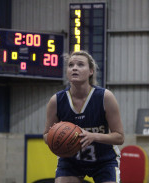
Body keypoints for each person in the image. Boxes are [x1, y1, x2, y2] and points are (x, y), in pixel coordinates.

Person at [43, 50, 124, 183]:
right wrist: (53, 135)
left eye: (80, 64)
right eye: (70, 65)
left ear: (91, 71)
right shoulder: (56, 100)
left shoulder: (105, 97)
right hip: (71, 161)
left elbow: (120, 137)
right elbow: (46, 135)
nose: (74, 68)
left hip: (104, 160)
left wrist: (93, 136)